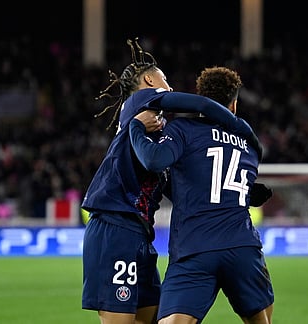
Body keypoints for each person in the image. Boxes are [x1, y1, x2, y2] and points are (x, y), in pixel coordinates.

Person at [81, 38, 262, 324]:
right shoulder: (140, 100)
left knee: (151, 318)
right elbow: (200, 103)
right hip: (115, 226)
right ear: (150, 79)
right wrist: (240, 128)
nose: (171, 87)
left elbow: (175, 185)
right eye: (165, 80)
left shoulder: (156, 129)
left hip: (139, 232)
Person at [130, 66, 274, 323]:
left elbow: (157, 162)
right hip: (242, 247)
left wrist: (135, 128)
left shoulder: (182, 129)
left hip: (194, 247)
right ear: (234, 104)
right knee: (263, 318)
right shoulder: (250, 145)